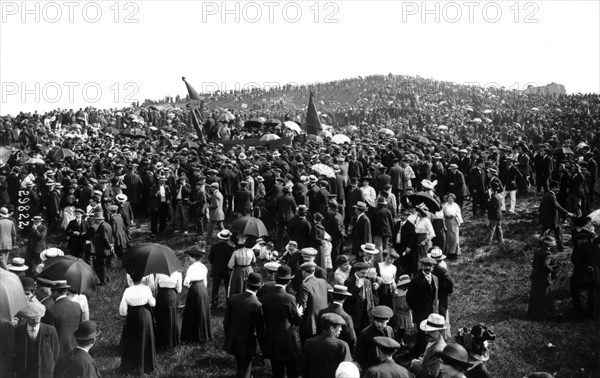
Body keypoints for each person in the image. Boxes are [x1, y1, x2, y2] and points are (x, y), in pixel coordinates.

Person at [260, 265, 303, 378]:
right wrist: (298, 312)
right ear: (289, 281)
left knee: (277, 371)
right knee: (292, 370)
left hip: (271, 338)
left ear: (275, 278)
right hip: (287, 339)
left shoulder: (265, 298)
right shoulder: (290, 298)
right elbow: (296, 320)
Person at [223, 272, 265, 378]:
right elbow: (260, 329)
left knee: (240, 364)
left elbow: (226, 320)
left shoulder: (234, 298)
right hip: (248, 341)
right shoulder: (257, 304)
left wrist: (228, 334)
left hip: (233, 337)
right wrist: (263, 346)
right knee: (246, 366)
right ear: (259, 288)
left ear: (246, 284)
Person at [118, 269, 156, 375]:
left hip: (133, 316)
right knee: (146, 338)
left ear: (131, 279)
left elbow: (122, 311)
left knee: (132, 339)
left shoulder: (128, 291)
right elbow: (152, 303)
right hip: (145, 315)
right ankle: (147, 364)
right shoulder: (146, 289)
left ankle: (132, 364)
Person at [14, 300, 60, 378]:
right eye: (32, 318)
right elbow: (16, 352)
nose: (36, 320)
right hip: (25, 373)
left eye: (38, 317)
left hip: (44, 373)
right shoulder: (18, 331)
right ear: (25, 318)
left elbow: (55, 352)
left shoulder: (50, 330)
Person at [300, 313, 352, 378]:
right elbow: (347, 371)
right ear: (332, 328)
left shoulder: (309, 343)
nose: (341, 329)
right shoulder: (342, 346)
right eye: (339, 327)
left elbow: (303, 368)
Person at [407, 256, 440, 358]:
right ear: (421, 266)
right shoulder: (416, 280)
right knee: (422, 334)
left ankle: (426, 352)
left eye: (430, 265)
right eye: (425, 265)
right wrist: (417, 309)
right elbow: (409, 298)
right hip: (420, 312)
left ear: (433, 267)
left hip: (432, 311)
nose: (428, 268)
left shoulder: (435, 278)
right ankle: (416, 353)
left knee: (430, 333)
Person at [181, 248, 212, 344]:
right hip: (202, 288)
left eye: (190, 257)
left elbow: (186, 281)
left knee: (192, 311)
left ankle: (192, 336)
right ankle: (204, 335)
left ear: (193, 258)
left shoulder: (192, 268)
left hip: (194, 288)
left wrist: (188, 285)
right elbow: (205, 281)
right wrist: (203, 289)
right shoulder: (204, 267)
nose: (189, 259)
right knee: (202, 310)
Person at [298, 261, 330, 345]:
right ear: (314, 271)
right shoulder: (323, 282)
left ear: (304, 272)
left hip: (310, 322)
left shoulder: (305, 285)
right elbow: (332, 293)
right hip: (323, 319)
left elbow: (302, 305)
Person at [317, 285, 357, 352]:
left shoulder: (321, 312)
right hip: (338, 350)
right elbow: (352, 338)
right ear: (345, 298)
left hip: (321, 349)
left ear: (332, 296)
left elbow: (318, 331)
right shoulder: (346, 317)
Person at [355, 305, 395, 372]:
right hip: (371, 367)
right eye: (377, 321)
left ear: (388, 320)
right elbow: (358, 355)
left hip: (386, 367)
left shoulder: (390, 330)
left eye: (382, 322)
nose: (379, 324)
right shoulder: (365, 334)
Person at [527, 235, 559, 320]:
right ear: (551, 245)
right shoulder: (547, 253)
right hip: (543, 278)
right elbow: (545, 265)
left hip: (536, 276)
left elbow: (533, 264)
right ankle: (545, 314)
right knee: (545, 296)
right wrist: (552, 269)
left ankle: (533, 314)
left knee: (535, 296)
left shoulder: (538, 250)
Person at [48, 280, 82, 355]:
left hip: (57, 352)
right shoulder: (77, 306)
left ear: (55, 292)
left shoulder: (51, 310)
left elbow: (48, 333)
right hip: (74, 349)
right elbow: (80, 327)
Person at [410, 313, 449, 378]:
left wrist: (414, 365)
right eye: (427, 329)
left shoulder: (439, 350)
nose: (427, 333)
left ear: (441, 331)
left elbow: (429, 374)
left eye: (431, 331)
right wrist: (422, 361)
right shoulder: (433, 340)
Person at [539, 180, 574, 251]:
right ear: (552, 188)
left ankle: (540, 246)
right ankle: (560, 247)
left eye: (558, 187)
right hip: (550, 218)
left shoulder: (548, 194)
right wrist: (567, 213)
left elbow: (541, 207)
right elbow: (557, 206)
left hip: (547, 218)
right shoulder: (551, 196)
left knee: (545, 232)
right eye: (556, 188)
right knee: (558, 230)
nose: (558, 189)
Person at [154, 269, 183, 350]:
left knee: (160, 318)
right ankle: (171, 341)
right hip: (172, 296)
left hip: (161, 296)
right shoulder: (177, 274)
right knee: (171, 318)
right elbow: (179, 289)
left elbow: (155, 287)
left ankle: (160, 341)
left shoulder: (159, 273)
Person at [344, 261, 376, 332]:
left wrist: (372, 310)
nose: (365, 275)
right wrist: (357, 287)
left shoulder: (367, 281)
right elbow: (348, 299)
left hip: (366, 313)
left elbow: (370, 298)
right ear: (356, 271)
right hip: (355, 314)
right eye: (363, 273)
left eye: (366, 273)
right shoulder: (349, 282)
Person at [208, 229, 235, 309]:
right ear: (228, 238)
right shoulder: (231, 248)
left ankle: (214, 304)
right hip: (227, 270)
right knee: (228, 288)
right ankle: (228, 304)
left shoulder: (214, 247)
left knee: (215, 288)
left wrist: (215, 264)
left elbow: (210, 259)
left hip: (216, 269)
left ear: (220, 238)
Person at [92, 212, 113, 286]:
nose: (95, 221)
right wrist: (110, 246)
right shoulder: (108, 225)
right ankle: (106, 279)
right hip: (106, 250)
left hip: (102, 250)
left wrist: (108, 246)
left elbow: (104, 238)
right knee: (103, 265)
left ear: (99, 220)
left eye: (95, 220)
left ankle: (103, 282)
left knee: (101, 266)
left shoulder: (102, 226)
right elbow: (110, 237)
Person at [392, 275, 412, 347]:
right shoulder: (397, 291)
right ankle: (400, 338)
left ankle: (403, 337)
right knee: (400, 326)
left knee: (404, 326)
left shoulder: (409, 290)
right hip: (399, 311)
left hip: (407, 311)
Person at [442, 193, 463, 259]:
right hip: (447, 222)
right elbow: (442, 214)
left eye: (452, 198)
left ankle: (454, 252)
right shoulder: (445, 206)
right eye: (449, 198)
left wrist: (455, 215)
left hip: (454, 221)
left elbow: (458, 213)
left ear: (454, 199)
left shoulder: (456, 205)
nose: (450, 199)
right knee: (449, 237)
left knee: (455, 237)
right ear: (447, 198)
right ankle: (449, 252)